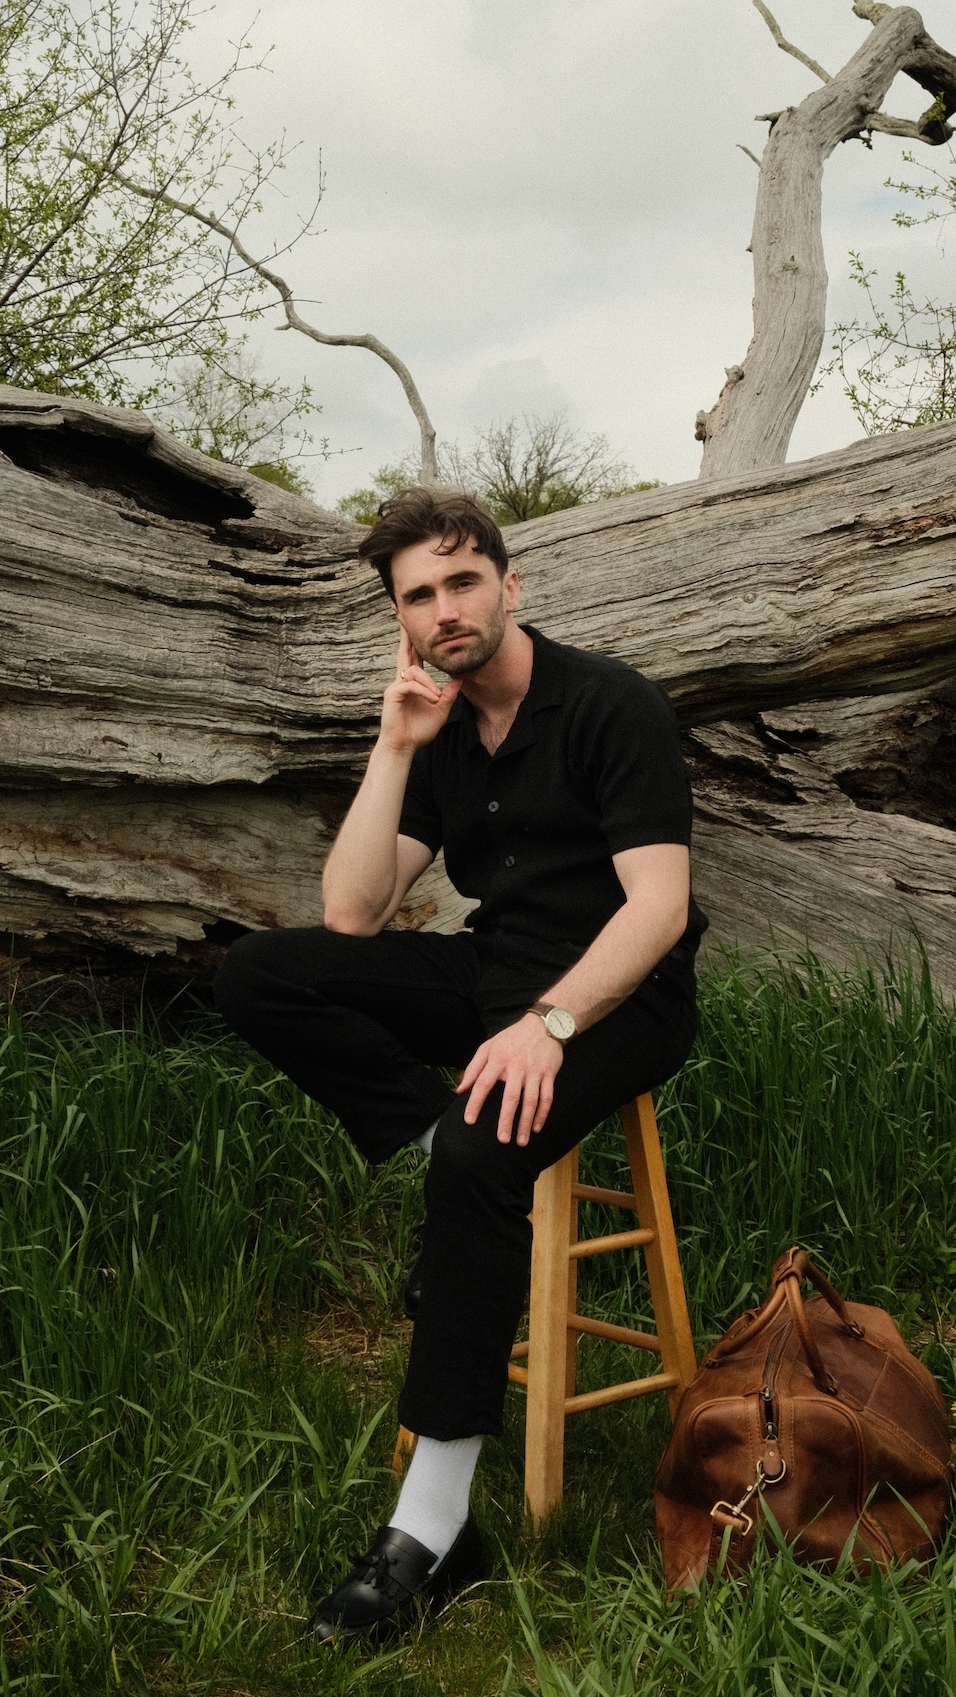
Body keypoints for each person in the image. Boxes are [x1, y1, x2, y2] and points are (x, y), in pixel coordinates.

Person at [213, 487, 706, 1646]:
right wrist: (394, 745)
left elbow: (659, 908)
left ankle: (430, 1531)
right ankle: (445, 1143)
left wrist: (549, 1026)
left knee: (487, 1158)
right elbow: (352, 914)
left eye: (462, 581)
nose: (445, 608)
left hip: (622, 996)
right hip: (494, 975)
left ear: (508, 585)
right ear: (401, 619)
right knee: (261, 973)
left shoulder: (611, 704)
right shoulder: (438, 730)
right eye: (419, 595)